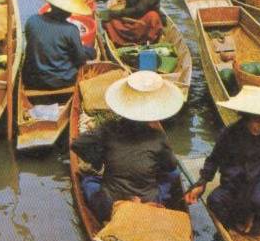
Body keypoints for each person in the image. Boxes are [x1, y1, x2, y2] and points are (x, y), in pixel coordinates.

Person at [184, 85, 260, 235]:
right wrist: (202, 182)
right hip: (233, 185)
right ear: (246, 116)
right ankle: (237, 223)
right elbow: (214, 159)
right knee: (214, 201)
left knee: (259, 205)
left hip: (257, 184)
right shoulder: (230, 133)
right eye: (256, 121)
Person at [71, 71, 184, 224]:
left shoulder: (109, 129)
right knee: (174, 173)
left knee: (88, 180)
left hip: (110, 204)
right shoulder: (158, 137)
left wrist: (99, 161)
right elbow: (170, 168)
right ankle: (157, 204)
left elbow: (77, 144)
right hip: (146, 203)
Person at [22, 0, 96, 90]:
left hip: (31, 80)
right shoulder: (71, 30)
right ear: (69, 11)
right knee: (90, 51)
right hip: (61, 82)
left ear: (50, 4)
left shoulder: (32, 20)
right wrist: (88, 51)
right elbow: (80, 60)